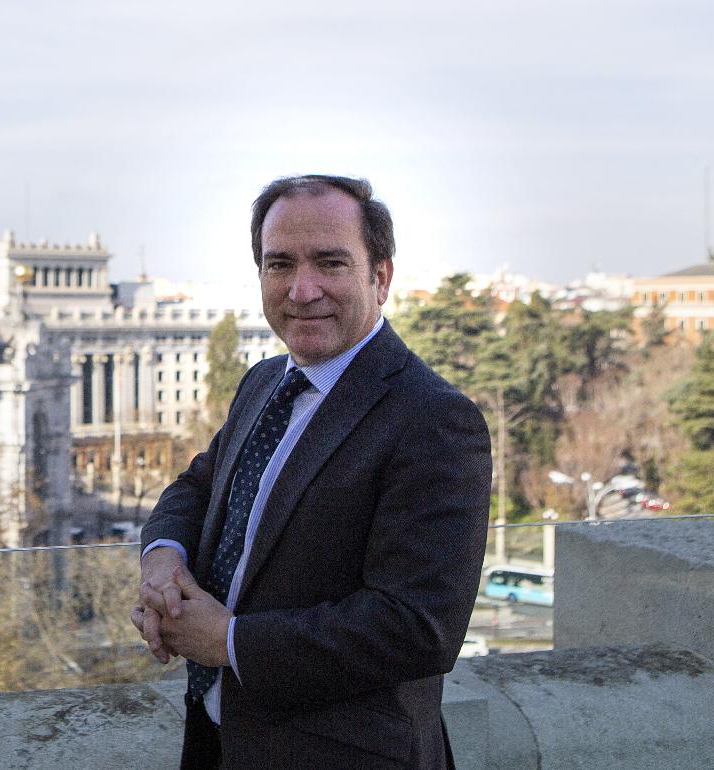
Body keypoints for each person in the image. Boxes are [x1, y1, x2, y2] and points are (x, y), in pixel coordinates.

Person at [132, 175, 491, 769]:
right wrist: (163, 559)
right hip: (220, 742)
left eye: (330, 263)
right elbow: (200, 486)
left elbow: (417, 626)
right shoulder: (266, 381)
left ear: (381, 276)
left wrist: (226, 642)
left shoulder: (434, 419)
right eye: (280, 265)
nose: (302, 290)